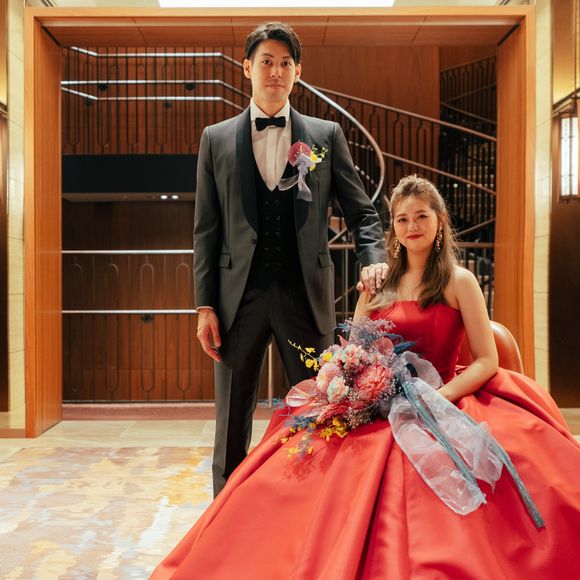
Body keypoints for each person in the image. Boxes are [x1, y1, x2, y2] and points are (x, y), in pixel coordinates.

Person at [152, 174, 580, 579]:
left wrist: (438, 398)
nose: (412, 226)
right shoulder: (378, 283)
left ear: (440, 221)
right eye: (402, 219)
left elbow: (487, 360)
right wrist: (352, 383)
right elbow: (353, 348)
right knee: (291, 468)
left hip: (441, 396)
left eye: (422, 216)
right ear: (393, 228)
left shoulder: (459, 280)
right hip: (377, 401)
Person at [194, 21, 388, 497]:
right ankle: (225, 514)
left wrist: (374, 258)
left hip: (305, 299)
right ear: (247, 68)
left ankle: (314, 510)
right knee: (230, 422)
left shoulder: (325, 135)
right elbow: (206, 229)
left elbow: (363, 212)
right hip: (237, 302)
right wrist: (204, 305)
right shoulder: (215, 139)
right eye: (266, 61)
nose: (276, 71)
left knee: (320, 414)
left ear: (298, 72)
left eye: (285, 63)